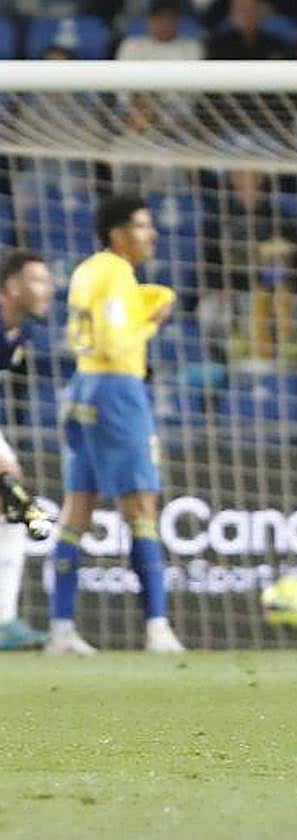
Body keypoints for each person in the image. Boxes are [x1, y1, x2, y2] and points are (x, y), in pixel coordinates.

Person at [46, 195, 186, 656]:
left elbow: (86, 332)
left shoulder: (88, 270)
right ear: (118, 233)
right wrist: (153, 322)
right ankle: (157, 629)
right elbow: (113, 338)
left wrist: (150, 302)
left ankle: (62, 630)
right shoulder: (115, 272)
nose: (153, 234)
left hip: (82, 390)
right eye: (143, 226)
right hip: (118, 391)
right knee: (141, 509)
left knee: (76, 513)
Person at [0, 251, 57, 650]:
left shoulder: (18, 334)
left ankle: (4, 620)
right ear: (11, 287)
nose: (47, 289)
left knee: (13, 507)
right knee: (14, 496)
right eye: (37, 280)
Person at [115, 0, 205, 61]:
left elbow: (192, 84)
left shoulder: (191, 48)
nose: (164, 23)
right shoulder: (132, 46)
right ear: (149, 20)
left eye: (169, 17)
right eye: (159, 17)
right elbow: (123, 84)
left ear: (178, 20)